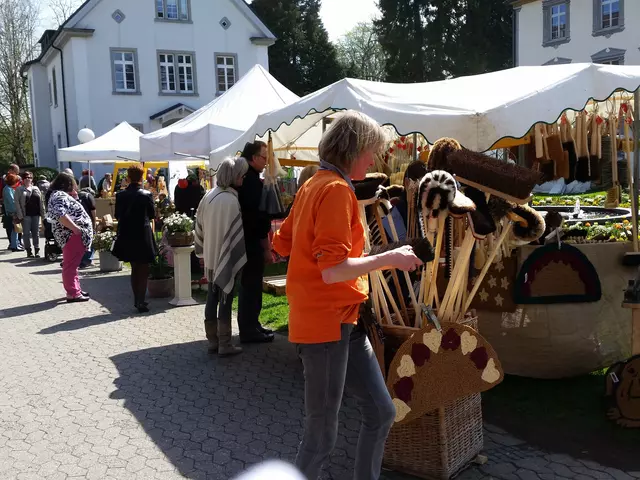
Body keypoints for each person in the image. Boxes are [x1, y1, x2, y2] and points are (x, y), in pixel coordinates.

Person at [272, 111, 423, 480]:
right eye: (371, 151)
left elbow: (282, 243)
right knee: (321, 434)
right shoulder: (334, 189)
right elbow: (332, 270)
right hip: (327, 324)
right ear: (353, 149)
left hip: (342, 319)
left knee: (381, 411)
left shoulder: (314, 183)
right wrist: (389, 257)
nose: (374, 160)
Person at [194, 157, 249, 357]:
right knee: (225, 298)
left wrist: (202, 252)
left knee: (211, 297)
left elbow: (198, 227)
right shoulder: (231, 200)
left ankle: (212, 341)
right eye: (242, 175)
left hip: (210, 256)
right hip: (223, 259)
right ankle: (225, 343)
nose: (243, 178)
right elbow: (236, 235)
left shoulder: (208, 195)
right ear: (234, 176)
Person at [236, 141, 275, 344]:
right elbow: (257, 216)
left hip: (248, 239)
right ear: (252, 158)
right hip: (250, 240)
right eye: (263, 157)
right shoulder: (250, 182)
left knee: (251, 284)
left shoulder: (250, 179)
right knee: (251, 284)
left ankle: (253, 324)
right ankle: (249, 328)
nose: (267, 161)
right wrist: (265, 245)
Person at [112, 164, 157, 313]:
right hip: (142, 233)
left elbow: (117, 215)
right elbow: (152, 215)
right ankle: (141, 301)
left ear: (128, 177)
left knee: (134, 267)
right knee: (143, 268)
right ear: (142, 177)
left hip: (128, 234)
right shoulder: (146, 194)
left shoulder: (120, 195)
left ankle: (137, 299)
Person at [47, 172, 93, 302]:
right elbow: (60, 214)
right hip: (71, 236)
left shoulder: (58, 195)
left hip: (71, 236)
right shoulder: (59, 195)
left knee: (73, 265)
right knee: (70, 266)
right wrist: (76, 229)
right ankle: (73, 293)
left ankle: (75, 289)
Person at [15, 171, 46, 258]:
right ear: (23, 179)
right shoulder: (19, 189)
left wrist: (43, 214)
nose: (28, 179)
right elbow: (17, 203)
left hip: (36, 214)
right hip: (26, 215)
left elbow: (41, 201)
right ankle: (29, 250)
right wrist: (20, 215)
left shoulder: (36, 188)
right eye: (26, 177)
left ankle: (37, 250)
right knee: (26, 233)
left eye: (30, 177)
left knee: (36, 233)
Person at [78, 187, 97, 268]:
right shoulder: (89, 196)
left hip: (76, 222)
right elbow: (93, 211)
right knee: (91, 240)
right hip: (87, 222)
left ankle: (80, 260)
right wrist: (94, 224)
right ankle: (87, 260)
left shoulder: (76, 195)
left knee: (79, 241)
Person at [2, 174, 21, 251]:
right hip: (12, 212)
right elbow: (12, 201)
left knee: (15, 229)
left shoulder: (8, 189)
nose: (17, 183)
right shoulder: (8, 190)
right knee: (14, 229)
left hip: (11, 211)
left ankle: (15, 244)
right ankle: (14, 245)